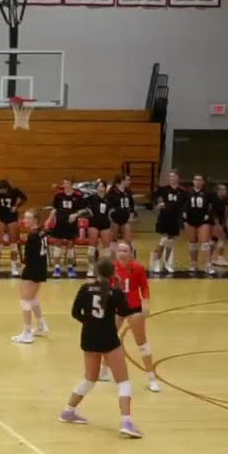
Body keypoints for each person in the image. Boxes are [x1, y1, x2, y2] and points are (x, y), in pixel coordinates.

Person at [58, 258, 143, 439]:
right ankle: (126, 422)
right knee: (123, 382)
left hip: (88, 337)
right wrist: (120, 289)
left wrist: (89, 322)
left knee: (89, 379)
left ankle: (68, 411)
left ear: (96, 272)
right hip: (108, 338)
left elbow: (75, 313)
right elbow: (125, 311)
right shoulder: (115, 292)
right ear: (113, 274)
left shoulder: (85, 288)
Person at [99, 241, 159, 391]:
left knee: (142, 343)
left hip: (134, 308)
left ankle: (152, 378)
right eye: (120, 250)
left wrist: (145, 303)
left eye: (125, 251)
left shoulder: (138, 268)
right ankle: (104, 370)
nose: (122, 253)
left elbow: (144, 287)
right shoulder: (112, 268)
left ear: (131, 253)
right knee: (108, 338)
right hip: (117, 308)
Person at [11, 209, 49, 344]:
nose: (25, 220)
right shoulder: (42, 232)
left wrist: (23, 267)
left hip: (33, 269)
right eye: (24, 217)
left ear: (35, 220)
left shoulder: (33, 236)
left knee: (25, 300)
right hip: (40, 268)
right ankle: (41, 325)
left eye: (28, 218)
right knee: (32, 298)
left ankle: (27, 332)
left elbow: (30, 255)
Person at [48, 178, 87, 278]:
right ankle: (57, 268)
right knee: (58, 243)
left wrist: (76, 214)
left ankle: (70, 268)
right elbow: (54, 209)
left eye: (67, 183)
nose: (65, 185)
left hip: (71, 224)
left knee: (70, 244)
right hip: (60, 223)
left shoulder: (78, 196)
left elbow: (83, 209)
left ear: (72, 184)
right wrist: (49, 220)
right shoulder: (58, 195)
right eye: (64, 183)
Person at [0, 179, 27, 277]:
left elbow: (24, 198)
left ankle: (13, 267)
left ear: (7, 187)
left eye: (3, 190)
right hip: (0, 217)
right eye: (0, 190)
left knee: (13, 243)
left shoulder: (14, 191)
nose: (1, 191)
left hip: (11, 217)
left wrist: (16, 206)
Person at [150, 170, 184, 275]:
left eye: (174, 176)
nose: (172, 178)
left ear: (178, 178)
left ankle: (167, 263)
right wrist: (158, 205)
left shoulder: (182, 191)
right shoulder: (164, 189)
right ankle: (157, 262)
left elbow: (184, 204)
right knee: (163, 240)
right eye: (170, 177)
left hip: (175, 219)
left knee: (170, 242)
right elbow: (153, 196)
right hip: (164, 218)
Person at [183, 174, 217, 277]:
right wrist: (184, 214)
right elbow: (184, 204)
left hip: (203, 220)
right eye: (195, 180)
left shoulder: (208, 193)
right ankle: (194, 263)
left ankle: (208, 265)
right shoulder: (188, 192)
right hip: (190, 220)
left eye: (199, 180)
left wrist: (208, 215)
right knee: (192, 242)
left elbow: (213, 206)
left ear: (203, 182)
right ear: (193, 181)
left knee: (205, 242)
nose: (197, 181)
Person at [84, 179, 113, 277]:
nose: (100, 188)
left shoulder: (109, 198)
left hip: (105, 224)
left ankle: (106, 269)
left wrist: (110, 215)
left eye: (102, 186)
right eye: (98, 186)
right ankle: (91, 268)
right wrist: (89, 211)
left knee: (106, 248)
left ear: (105, 188)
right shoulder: (92, 198)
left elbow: (112, 209)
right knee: (92, 247)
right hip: (94, 223)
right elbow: (84, 205)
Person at [106, 174, 135, 256]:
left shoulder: (128, 192)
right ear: (122, 181)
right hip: (114, 219)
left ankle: (128, 258)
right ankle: (113, 259)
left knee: (128, 240)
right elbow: (108, 205)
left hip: (125, 219)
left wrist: (131, 214)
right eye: (128, 180)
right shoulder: (112, 192)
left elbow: (132, 205)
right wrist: (110, 215)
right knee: (113, 240)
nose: (129, 182)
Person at [209, 183, 228, 268]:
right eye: (223, 189)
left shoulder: (225, 198)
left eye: (225, 189)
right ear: (218, 191)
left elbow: (226, 210)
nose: (225, 191)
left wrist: (227, 220)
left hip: (221, 221)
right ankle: (220, 258)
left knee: (214, 240)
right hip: (214, 221)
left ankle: (209, 258)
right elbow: (213, 213)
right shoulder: (215, 199)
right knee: (222, 238)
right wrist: (217, 225)